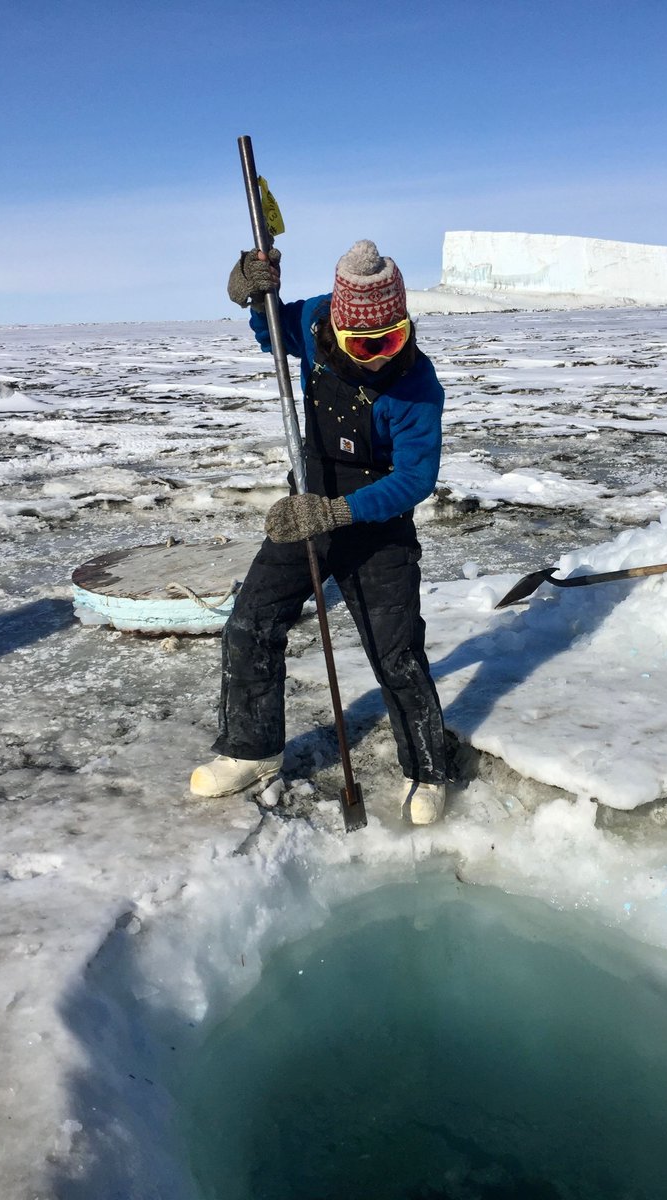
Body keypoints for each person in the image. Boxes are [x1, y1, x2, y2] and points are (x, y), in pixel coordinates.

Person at [190, 239, 448, 825]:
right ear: (339, 325)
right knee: (252, 623)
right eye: (366, 344)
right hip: (308, 496)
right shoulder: (312, 320)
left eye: (393, 339)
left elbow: (415, 478)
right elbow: (271, 332)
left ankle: (428, 770)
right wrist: (254, 293)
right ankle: (251, 750)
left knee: (398, 653)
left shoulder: (417, 387)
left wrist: (337, 514)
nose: (382, 356)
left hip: (377, 520)